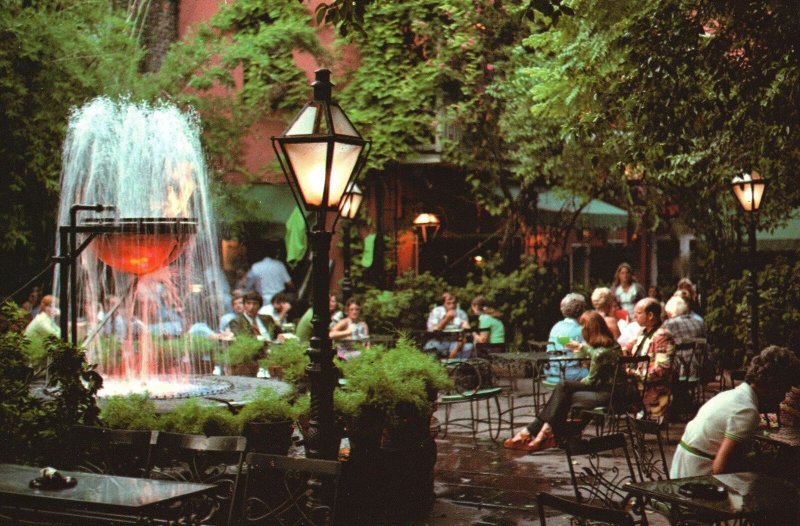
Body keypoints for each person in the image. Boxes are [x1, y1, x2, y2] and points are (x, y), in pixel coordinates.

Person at [670, 346, 800, 478]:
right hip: (697, 479)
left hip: (683, 470)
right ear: (775, 386)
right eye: (784, 390)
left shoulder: (732, 396)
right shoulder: (747, 411)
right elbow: (721, 469)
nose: (783, 397)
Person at [503, 311, 622, 452]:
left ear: (589, 330)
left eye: (583, 327)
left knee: (563, 388)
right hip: (611, 388)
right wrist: (579, 347)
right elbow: (593, 354)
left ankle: (534, 432)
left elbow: (591, 381)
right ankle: (543, 434)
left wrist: (585, 373)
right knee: (563, 393)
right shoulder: (612, 345)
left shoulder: (599, 353)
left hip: (606, 393)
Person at [629, 298, 675, 420]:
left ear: (650, 315)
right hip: (637, 385)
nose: (634, 316)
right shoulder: (643, 332)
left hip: (652, 390)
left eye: (638, 313)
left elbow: (662, 370)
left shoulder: (662, 336)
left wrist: (633, 373)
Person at [547, 293, 588, 382]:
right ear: (582, 311)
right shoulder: (580, 330)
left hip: (552, 373)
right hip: (569, 375)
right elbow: (588, 353)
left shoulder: (556, 326)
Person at [423, 292, 472, 359]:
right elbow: (432, 331)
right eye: (449, 303)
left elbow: (465, 334)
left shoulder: (461, 313)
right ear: (443, 304)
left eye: (454, 303)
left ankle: (455, 366)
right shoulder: (436, 311)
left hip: (455, 342)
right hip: (439, 341)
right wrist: (446, 319)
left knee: (468, 347)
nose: (452, 306)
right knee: (430, 347)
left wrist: (457, 348)